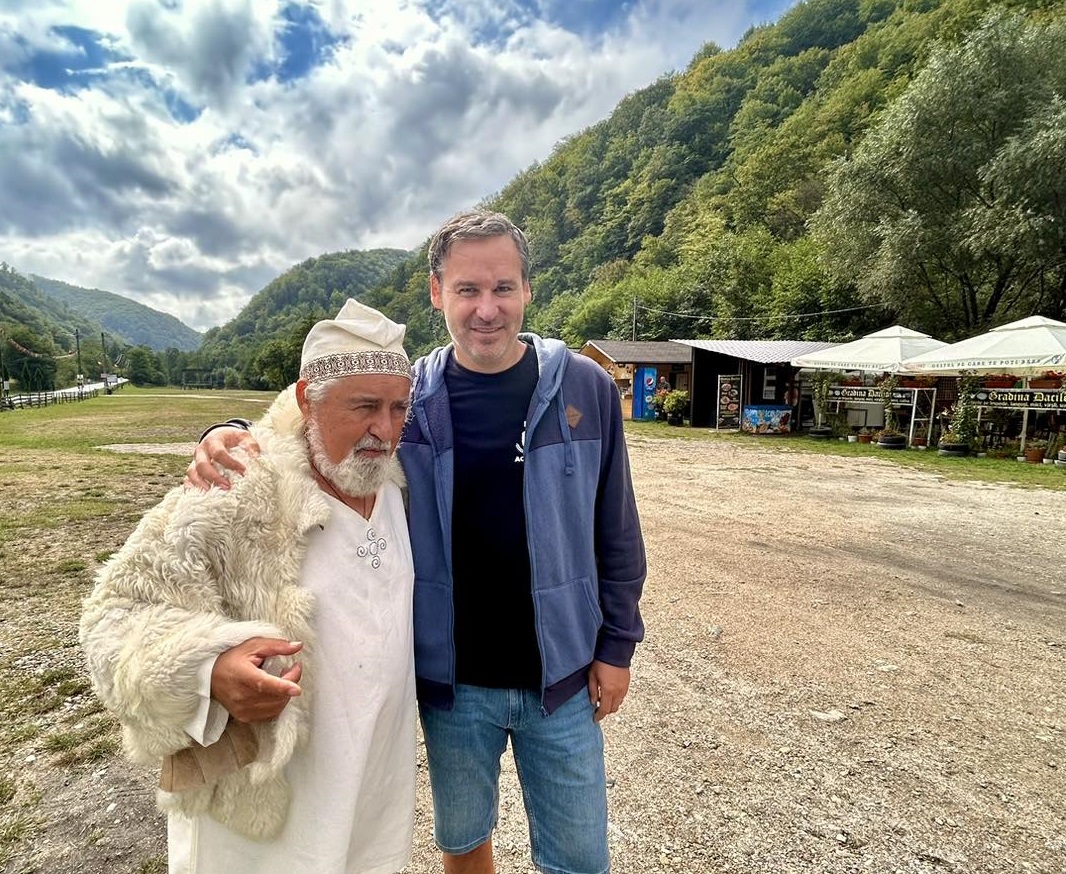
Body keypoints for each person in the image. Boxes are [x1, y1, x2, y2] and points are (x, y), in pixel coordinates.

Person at [188, 210, 647, 874]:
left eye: (503, 287)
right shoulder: (412, 399)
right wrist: (225, 431)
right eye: (467, 290)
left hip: (564, 677)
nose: (486, 309)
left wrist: (615, 648)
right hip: (452, 685)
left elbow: (618, 530)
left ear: (527, 289)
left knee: (579, 857)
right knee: (463, 842)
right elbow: (315, 418)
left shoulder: (587, 387)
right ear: (437, 292)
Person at [81, 300, 418, 874]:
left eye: (398, 408)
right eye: (364, 406)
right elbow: (112, 617)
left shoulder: (394, 483)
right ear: (307, 398)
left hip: (372, 789)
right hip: (267, 815)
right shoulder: (240, 484)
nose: (384, 431)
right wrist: (207, 671)